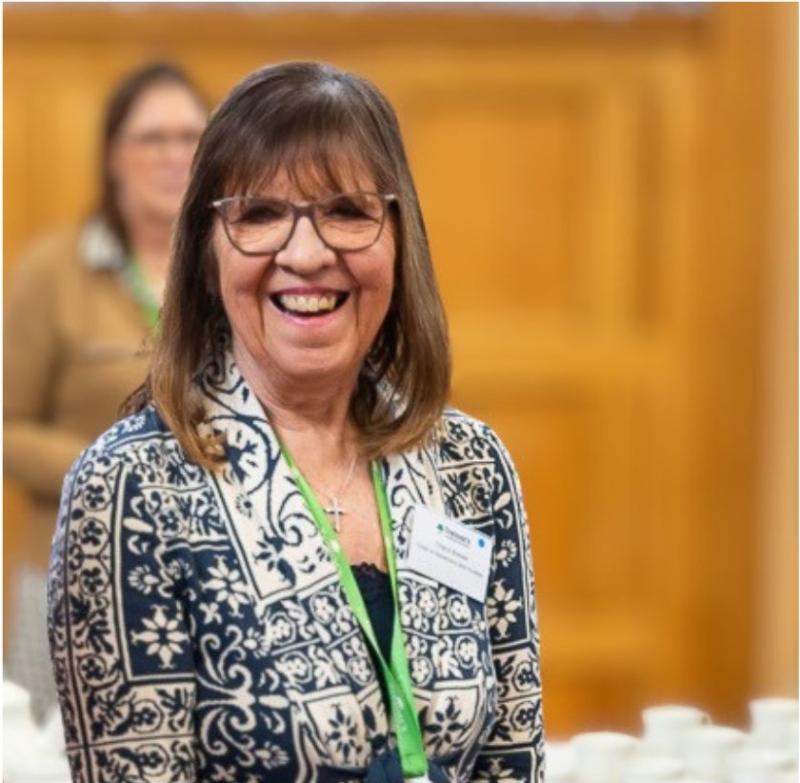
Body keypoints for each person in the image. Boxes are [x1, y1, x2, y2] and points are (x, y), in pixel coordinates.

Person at [47, 61, 544, 782]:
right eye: (259, 214)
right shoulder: (129, 489)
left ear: (399, 239)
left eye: (347, 210)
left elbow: (512, 762)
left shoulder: (471, 465)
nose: (306, 254)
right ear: (206, 254)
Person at [5, 61, 207, 722]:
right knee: (58, 753)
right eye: (152, 138)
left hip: (207, 574)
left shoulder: (236, 264)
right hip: (75, 573)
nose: (173, 155)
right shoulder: (54, 270)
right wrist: (114, 470)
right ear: (114, 155)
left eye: (190, 137)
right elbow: (7, 426)